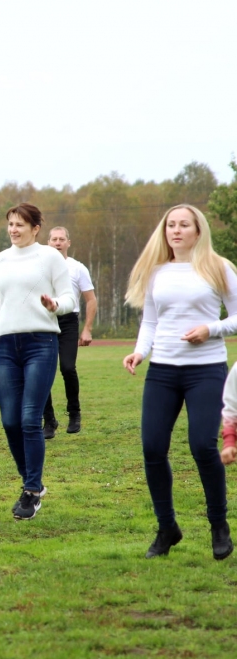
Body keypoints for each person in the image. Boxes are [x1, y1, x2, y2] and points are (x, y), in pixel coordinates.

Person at [123, 204, 234, 561]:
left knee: (202, 445)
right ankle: (166, 528)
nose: (176, 230)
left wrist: (210, 329)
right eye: (171, 225)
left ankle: (218, 524)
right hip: (163, 372)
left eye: (184, 224)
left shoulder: (218, 268)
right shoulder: (158, 272)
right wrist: (140, 352)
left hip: (206, 369)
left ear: (198, 231)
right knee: (153, 448)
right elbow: (151, 322)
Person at [0, 204, 74, 521]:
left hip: (41, 343)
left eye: (20, 224)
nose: (13, 229)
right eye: (10, 224)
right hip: (7, 345)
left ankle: (32, 491)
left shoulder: (50, 257)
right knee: (9, 421)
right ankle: (30, 482)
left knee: (29, 419)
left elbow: (70, 298)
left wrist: (55, 304)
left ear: (36, 228)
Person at [42, 227, 97, 438]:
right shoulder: (40, 267)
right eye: (54, 239)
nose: (57, 242)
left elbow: (90, 299)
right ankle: (49, 420)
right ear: (48, 242)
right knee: (43, 371)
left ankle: (74, 413)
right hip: (45, 320)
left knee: (67, 367)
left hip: (68, 322)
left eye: (61, 239)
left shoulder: (77, 268)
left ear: (68, 243)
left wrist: (87, 329)